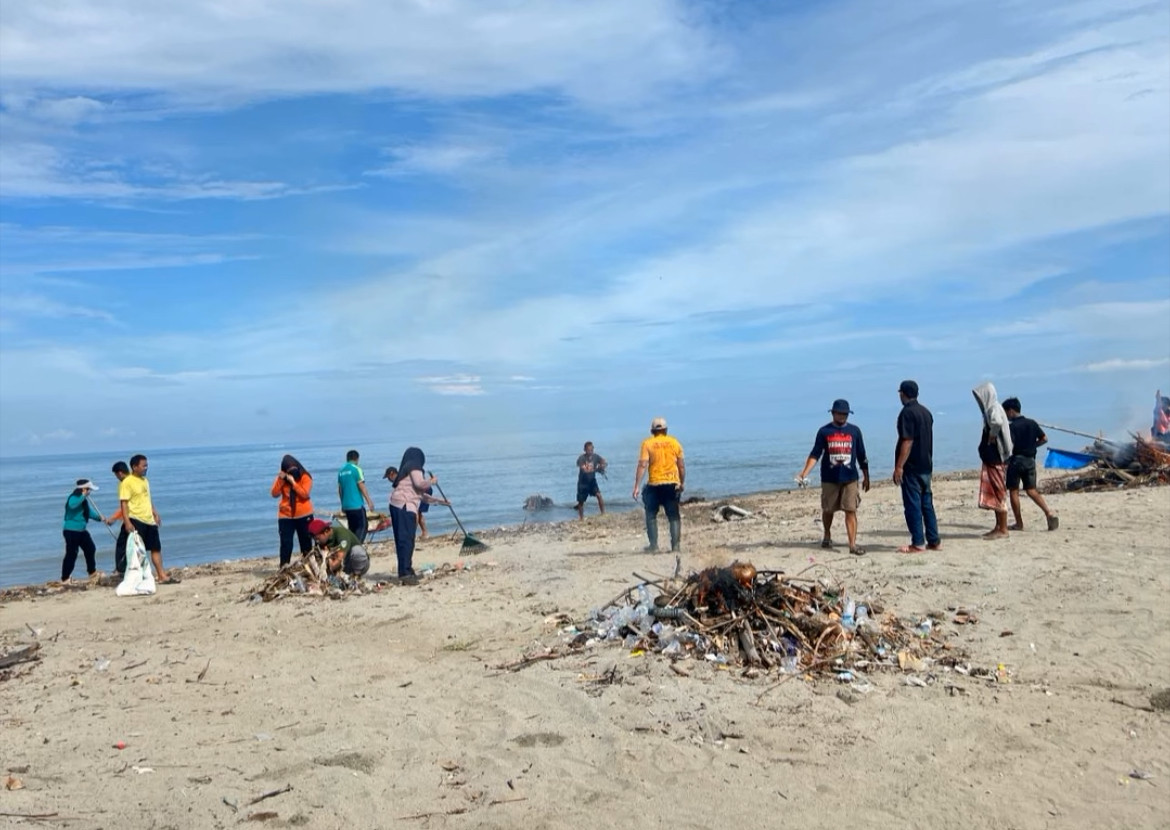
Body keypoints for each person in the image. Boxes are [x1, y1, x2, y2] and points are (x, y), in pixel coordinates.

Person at [795, 399, 870, 555]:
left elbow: (862, 455)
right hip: (829, 478)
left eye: (845, 414)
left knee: (851, 510)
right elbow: (815, 453)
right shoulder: (824, 432)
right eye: (839, 413)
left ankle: (852, 545)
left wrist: (866, 476)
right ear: (833, 413)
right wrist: (804, 473)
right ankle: (827, 534)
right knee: (828, 510)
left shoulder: (855, 431)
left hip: (850, 478)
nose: (842, 416)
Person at [893, 381, 941, 553]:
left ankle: (918, 542)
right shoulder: (926, 412)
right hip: (926, 464)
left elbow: (907, 440)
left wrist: (899, 466)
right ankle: (934, 540)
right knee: (927, 503)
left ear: (903, 394)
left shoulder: (907, 413)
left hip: (912, 466)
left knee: (913, 504)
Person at [388, 448, 447, 584]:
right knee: (406, 539)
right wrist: (432, 481)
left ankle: (406, 570)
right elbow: (420, 484)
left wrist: (442, 502)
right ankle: (405, 573)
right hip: (404, 506)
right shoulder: (415, 466)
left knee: (404, 539)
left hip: (398, 505)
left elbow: (422, 496)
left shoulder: (406, 470)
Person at [1003, 397, 1059, 531]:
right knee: (1031, 490)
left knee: (1014, 491)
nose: (1006, 416)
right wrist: (1033, 446)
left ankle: (1019, 523)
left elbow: (1008, 445)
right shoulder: (1032, 423)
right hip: (1030, 460)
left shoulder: (1012, 427)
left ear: (1010, 411)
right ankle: (1048, 512)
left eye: (1005, 413)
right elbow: (1044, 439)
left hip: (1016, 460)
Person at [119, 454, 176, 583]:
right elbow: (123, 503)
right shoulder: (127, 482)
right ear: (134, 467)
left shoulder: (145, 481)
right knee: (138, 551)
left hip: (149, 519)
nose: (146, 468)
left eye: (147, 466)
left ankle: (162, 575)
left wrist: (155, 513)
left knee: (156, 548)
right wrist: (127, 521)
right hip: (136, 519)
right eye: (143, 466)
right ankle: (137, 578)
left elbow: (147, 498)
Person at [632, 417, 685, 552]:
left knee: (651, 514)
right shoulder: (674, 442)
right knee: (673, 515)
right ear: (665, 430)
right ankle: (676, 546)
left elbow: (642, 465)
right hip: (671, 483)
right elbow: (681, 466)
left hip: (655, 484)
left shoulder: (647, 443)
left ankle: (654, 546)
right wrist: (682, 482)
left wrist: (636, 486)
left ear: (652, 431)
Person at [973, 382, 1012, 540]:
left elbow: (996, 423)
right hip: (992, 457)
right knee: (996, 492)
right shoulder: (992, 409)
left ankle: (1003, 528)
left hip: (997, 457)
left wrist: (992, 437)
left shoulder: (994, 408)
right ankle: (998, 526)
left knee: (999, 490)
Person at [270, 454, 315, 568]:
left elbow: (304, 494)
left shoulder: (305, 476)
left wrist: (294, 483)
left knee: (306, 543)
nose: (292, 472)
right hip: (286, 515)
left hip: (304, 514)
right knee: (286, 543)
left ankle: (309, 566)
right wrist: (281, 479)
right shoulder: (282, 479)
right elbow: (274, 493)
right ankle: (284, 567)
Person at [61, 479, 105, 582]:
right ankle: (65, 578)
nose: (90, 491)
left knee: (90, 548)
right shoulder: (74, 497)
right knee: (71, 553)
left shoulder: (83, 500)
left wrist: (100, 518)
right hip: (71, 531)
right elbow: (72, 506)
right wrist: (83, 495)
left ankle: (92, 572)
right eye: (89, 489)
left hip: (81, 531)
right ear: (85, 489)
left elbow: (89, 512)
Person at [338, 450, 376, 542]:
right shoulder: (356, 469)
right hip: (356, 504)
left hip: (346, 505)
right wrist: (369, 501)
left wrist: (342, 504)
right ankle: (357, 546)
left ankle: (352, 546)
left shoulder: (341, 471)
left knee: (352, 528)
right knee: (363, 526)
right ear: (357, 459)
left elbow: (340, 489)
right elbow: (361, 486)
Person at [575, 441, 608, 520]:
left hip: (592, 481)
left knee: (599, 496)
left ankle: (603, 513)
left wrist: (602, 466)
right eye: (588, 450)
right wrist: (596, 469)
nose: (590, 452)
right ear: (585, 450)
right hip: (583, 483)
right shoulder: (581, 458)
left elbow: (604, 462)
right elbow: (585, 470)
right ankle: (581, 518)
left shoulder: (596, 456)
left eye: (591, 450)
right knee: (581, 502)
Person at [109, 461, 131, 576]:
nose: (117, 478)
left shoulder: (124, 484)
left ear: (120, 473)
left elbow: (124, 505)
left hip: (130, 519)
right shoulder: (135, 480)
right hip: (140, 518)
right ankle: (129, 567)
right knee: (133, 544)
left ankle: (120, 569)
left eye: (116, 475)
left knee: (121, 545)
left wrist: (113, 518)